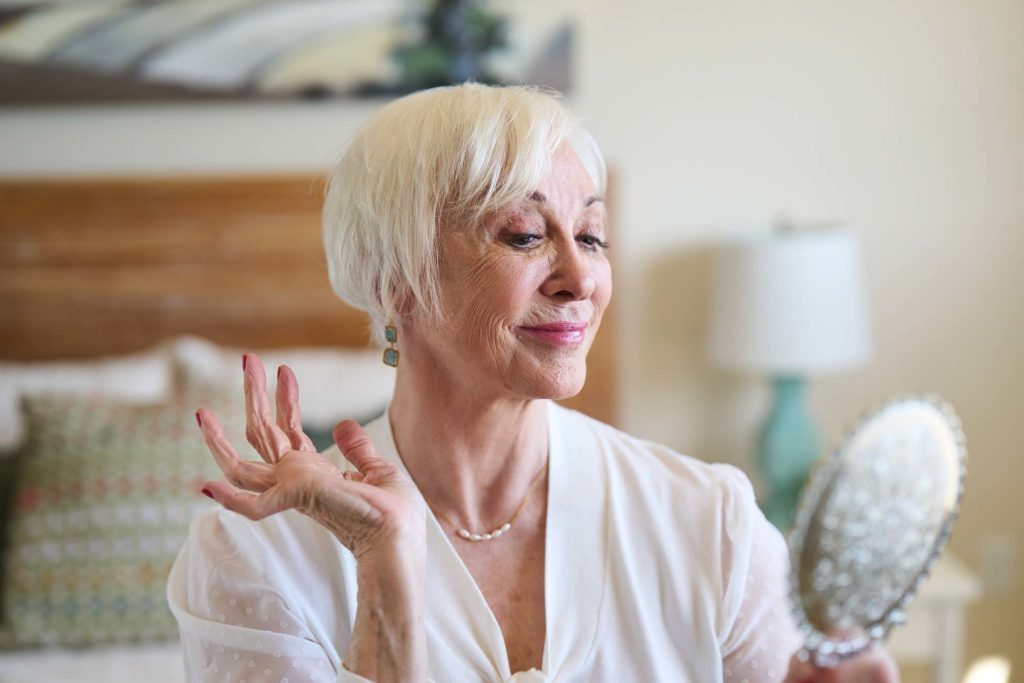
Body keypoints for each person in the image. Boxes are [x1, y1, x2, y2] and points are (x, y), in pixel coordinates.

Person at [167, 83, 899, 683]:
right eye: (524, 235)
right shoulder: (258, 558)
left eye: (590, 235)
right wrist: (385, 572)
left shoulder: (713, 526)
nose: (580, 277)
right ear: (397, 281)